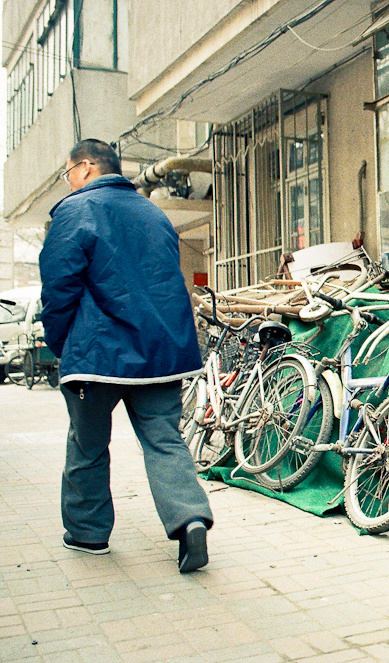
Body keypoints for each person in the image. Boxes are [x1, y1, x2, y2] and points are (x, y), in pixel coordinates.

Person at [39, 139, 213, 573]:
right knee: (165, 441)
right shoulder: (154, 214)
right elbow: (167, 284)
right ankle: (190, 521)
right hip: (160, 354)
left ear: (84, 168)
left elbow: (58, 289)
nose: (68, 181)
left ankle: (88, 534)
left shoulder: (74, 211)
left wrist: (62, 344)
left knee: (88, 445)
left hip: (97, 354)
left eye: (67, 173)